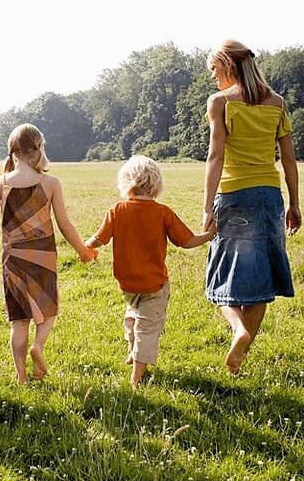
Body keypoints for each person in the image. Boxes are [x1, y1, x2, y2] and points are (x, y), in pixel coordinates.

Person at [0, 124, 97, 383]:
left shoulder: (0, 184)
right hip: (44, 256)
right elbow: (64, 224)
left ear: (13, 152)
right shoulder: (50, 183)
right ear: (38, 149)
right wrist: (83, 250)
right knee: (49, 311)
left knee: (19, 321)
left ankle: (21, 375)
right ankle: (39, 346)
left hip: (13, 260)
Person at [202, 39, 302, 375]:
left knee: (221, 273)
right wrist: (294, 203)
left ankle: (238, 330)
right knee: (263, 275)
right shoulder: (277, 103)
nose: (214, 78)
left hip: (233, 195)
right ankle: (238, 360)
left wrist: (207, 206)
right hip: (270, 197)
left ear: (228, 67)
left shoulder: (220, 103)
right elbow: (288, 159)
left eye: (215, 70)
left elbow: (216, 156)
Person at [85, 155, 216, 387]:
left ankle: (132, 351)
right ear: (157, 186)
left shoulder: (117, 210)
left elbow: (98, 239)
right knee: (147, 328)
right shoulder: (163, 212)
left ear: (126, 183)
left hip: (127, 285)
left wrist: (85, 247)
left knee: (132, 316)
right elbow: (186, 241)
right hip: (154, 285)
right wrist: (209, 235)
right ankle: (136, 378)